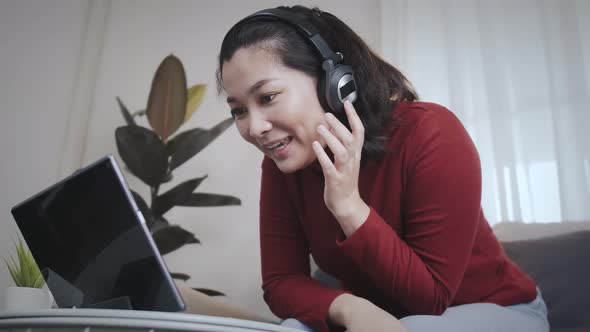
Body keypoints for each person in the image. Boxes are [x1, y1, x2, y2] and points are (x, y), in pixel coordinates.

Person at [212, 5, 550, 332]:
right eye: (239, 111)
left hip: (500, 311)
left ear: (335, 83)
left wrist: (348, 206)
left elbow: (430, 299)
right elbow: (281, 282)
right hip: (379, 319)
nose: (254, 128)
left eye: (267, 97)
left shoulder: (431, 133)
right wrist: (349, 307)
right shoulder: (283, 165)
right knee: (293, 328)